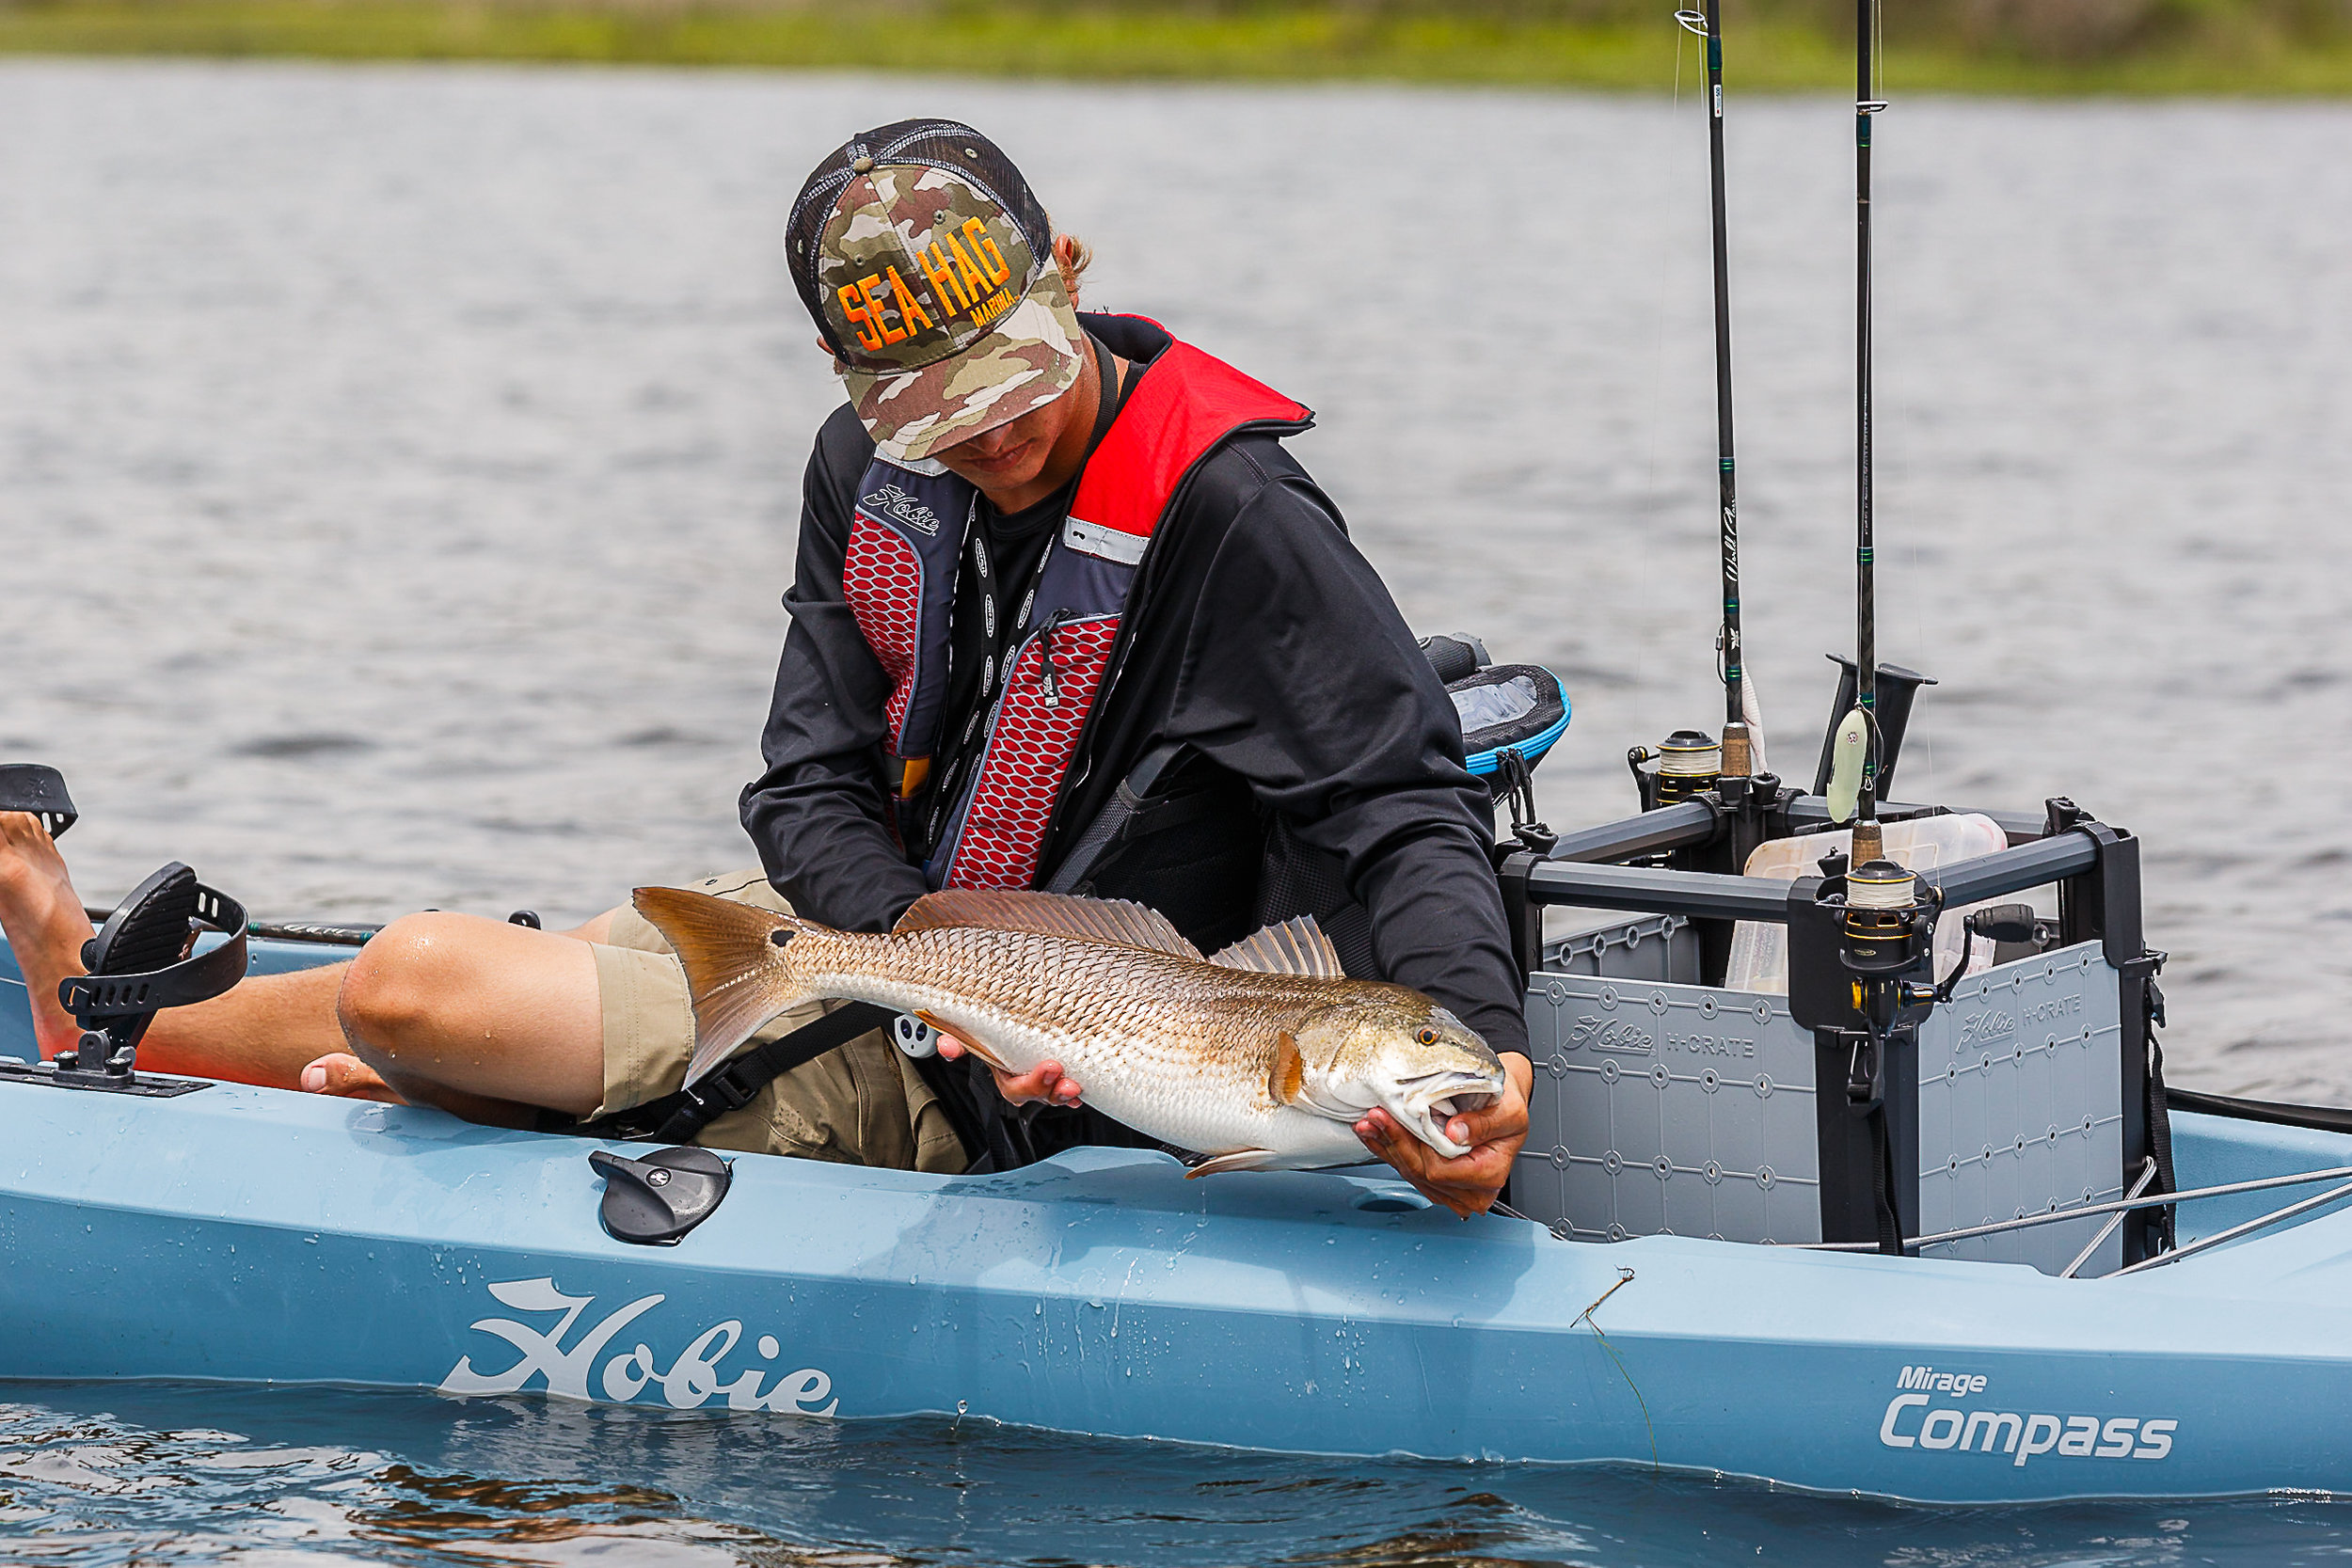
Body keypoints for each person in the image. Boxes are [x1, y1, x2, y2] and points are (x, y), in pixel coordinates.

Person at [0, 119, 1532, 1215]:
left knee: (415, 981)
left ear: (1064, 270)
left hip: (1032, 1062)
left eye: (1013, 378)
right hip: (900, 950)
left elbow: (1400, 806)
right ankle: (92, 1011)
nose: (987, 437)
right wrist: (937, 961)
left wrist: (1492, 1059)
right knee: (585, 947)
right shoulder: (859, 469)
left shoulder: (1234, 514)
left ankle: (400, 1069)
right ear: (847, 380)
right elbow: (802, 783)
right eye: (932, 414)